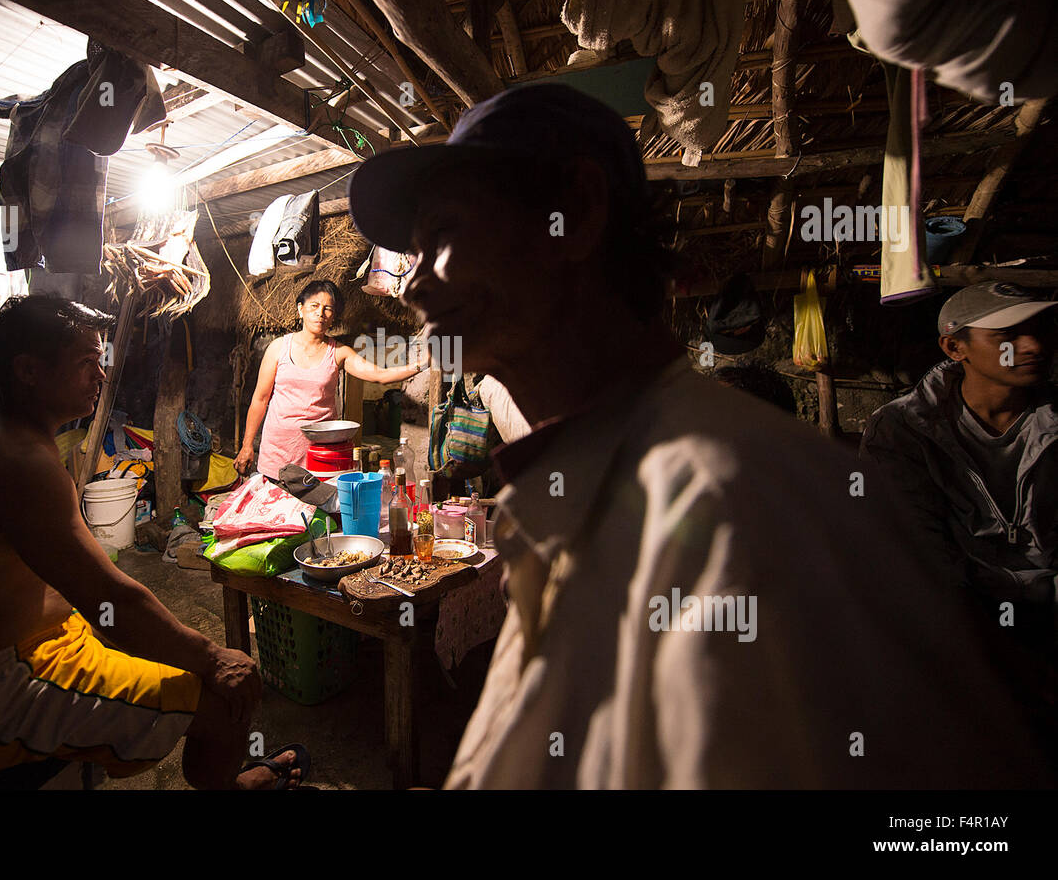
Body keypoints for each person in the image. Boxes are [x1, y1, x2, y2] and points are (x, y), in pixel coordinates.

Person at [347, 82, 1054, 788]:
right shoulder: (577, 486)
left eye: (441, 235)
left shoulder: (733, 503)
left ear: (577, 213)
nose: (411, 286)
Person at [0, 295, 306, 789]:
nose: (102, 375)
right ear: (28, 371)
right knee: (225, 693)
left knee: (157, 643)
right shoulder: (20, 463)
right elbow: (111, 597)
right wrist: (213, 657)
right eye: (87, 363)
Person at [860, 282, 1058, 732]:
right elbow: (920, 561)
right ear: (955, 347)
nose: (1034, 345)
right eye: (1008, 335)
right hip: (959, 619)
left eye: (1042, 328)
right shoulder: (903, 428)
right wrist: (1017, 670)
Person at [234, 279, 425, 480]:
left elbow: (380, 375)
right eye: (314, 306)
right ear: (301, 309)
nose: (320, 313)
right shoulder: (278, 348)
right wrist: (247, 446)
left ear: (333, 316)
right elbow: (260, 400)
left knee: (317, 510)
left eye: (328, 309)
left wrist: (424, 363)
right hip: (278, 450)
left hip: (321, 453)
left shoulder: (339, 353)